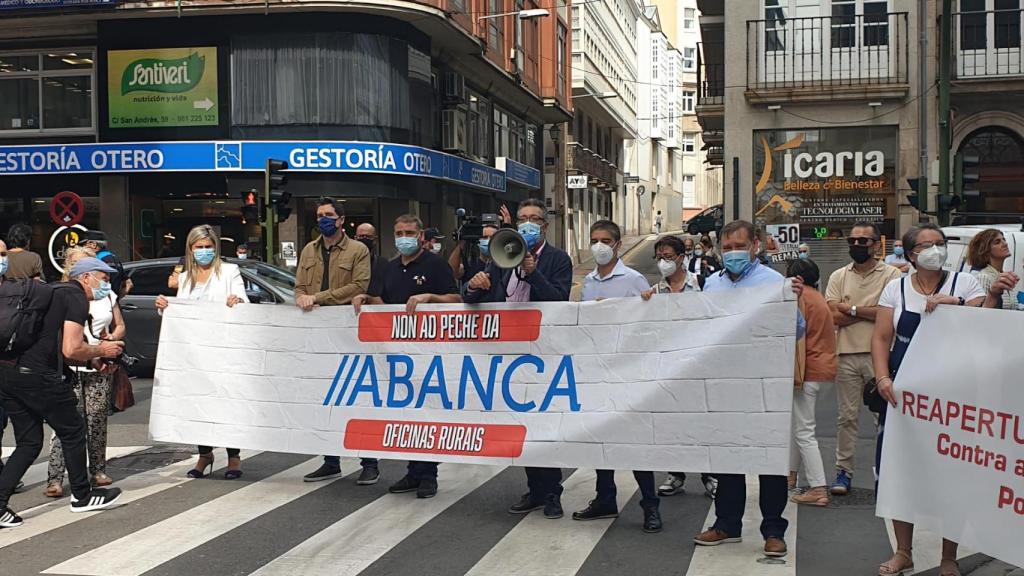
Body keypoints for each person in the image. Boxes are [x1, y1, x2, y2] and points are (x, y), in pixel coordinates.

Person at [871, 223, 1010, 576]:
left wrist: (958, 303)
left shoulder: (963, 283)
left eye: (940, 243)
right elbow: (881, 337)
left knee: (953, 473)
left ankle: (949, 555)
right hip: (906, 399)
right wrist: (883, 377)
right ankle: (903, 551)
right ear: (910, 254)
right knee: (901, 471)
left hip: (952, 400)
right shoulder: (896, 288)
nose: (935, 249)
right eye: (926, 244)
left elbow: (983, 320)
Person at [692, 220, 803, 558]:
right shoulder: (711, 285)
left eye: (740, 246)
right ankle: (727, 524)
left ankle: (773, 530)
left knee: (769, 461)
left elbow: (797, 328)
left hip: (764, 384)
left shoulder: (775, 284)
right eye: (727, 248)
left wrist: (790, 301)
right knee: (728, 458)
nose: (733, 253)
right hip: (725, 384)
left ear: (755, 246)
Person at [463, 198, 572, 519]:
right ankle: (535, 489)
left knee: (543, 427)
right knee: (521, 426)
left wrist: (534, 273)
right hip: (507, 356)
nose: (526, 224)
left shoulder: (558, 259)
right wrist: (472, 286)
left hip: (541, 356)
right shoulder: (502, 255)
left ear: (545, 225)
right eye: (522, 218)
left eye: (533, 219)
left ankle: (552, 492)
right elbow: (473, 299)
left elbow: (558, 301)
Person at [0, 256, 126, 528]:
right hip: (39, 377)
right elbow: (71, 348)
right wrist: (102, 350)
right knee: (72, 430)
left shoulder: (52, 293)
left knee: (30, 441)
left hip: (8, 373)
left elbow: (54, 346)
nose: (107, 286)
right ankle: (82, 496)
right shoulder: (76, 298)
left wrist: (91, 359)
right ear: (85, 278)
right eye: (103, 280)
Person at [352, 214, 462, 499]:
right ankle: (412, 471)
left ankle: (428, 474)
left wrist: (430, 298)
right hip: (398, 355)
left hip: (430, 353)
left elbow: (456, 299)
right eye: (399, 232)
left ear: (420, 235)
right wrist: (366, 299)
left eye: (410, 232)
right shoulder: (388, 268)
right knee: (406, 413)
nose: (404, 237)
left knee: (428, 412)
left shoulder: (435, 265)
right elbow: (384, 304)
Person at [572, 220, 661, 532]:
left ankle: (650, 504)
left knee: (635, 443)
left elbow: (650, 324)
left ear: (618, 244)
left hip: (629, 373)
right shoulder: (589, 283)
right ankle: (605, 497)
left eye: (606, 240)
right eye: (595, 240)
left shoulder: (633, 279)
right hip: (599, 370)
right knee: (602, 439)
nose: (600, 246)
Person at [293, 198, 377, 485]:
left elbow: (358, 286)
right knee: (324, 398)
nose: (323, 219)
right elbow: (299, 287)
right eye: (319, 215)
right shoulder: (308, 250)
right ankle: (331, 460)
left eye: (329, 215)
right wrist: (301, 298)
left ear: (342, 220)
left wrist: (316, 298)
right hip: (318, 336)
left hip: (349, 333)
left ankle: (369, 461)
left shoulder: (358, 250)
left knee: (358, 396)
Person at [155, 225, 248, 480]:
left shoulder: (230, 271)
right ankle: (204, 454)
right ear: (191, 249)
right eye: (199, 248)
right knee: (198, 403)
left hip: (222, 349)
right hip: (193, 353)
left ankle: (233, 456)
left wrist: (236, 301)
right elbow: (179, 312)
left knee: (225, 402)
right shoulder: (185, 277)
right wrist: (165, 306)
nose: (204, 251)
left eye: (208, 247)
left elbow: (242, 301)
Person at [824, 222, 901, 496]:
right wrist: (871, 311)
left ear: (876, 245)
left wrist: (852, 309)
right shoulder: (838, 276)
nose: (857, 246)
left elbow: (889, 315)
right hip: (845, 354)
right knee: (846, 417)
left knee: (885, 417)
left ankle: (889, 471)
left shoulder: (891, 275)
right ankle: (843, 471)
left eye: (863, 241)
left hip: (879, 356)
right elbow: (832, 315)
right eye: (852, 241)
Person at [44, 246, 126, 497]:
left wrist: (111, 339)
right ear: (81, 273)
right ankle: (56, 477)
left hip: (99, 365)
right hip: (71, 366)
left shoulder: (107, 295)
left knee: (97, 419)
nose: (104, 279)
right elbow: (67, 343)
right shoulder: (66, 296)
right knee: (67, 423)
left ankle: (97, 470)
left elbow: (120, 324)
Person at [640, 236, 716, 500]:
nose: (664, 262)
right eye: (659, 257)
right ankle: (676, 474)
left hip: (699, 366)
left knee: (702, 422)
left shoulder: (703, 284)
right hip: (669, 369)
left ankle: (710, 475)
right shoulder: (656, 291)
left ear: (682, 257)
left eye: (669, 257)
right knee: (672, 424)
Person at [785, 257, 836, 507]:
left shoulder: (800, 297)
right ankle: (790, 476)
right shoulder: (818, 297)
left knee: (804, 430)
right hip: (819, 368)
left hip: (806, 370)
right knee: (798, 426)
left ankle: (817, 487)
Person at [968, 229, 1016, 310]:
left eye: (1003, 239)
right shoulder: (983, 276)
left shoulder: (1004, 275)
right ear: (986, 250)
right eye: (997, 242)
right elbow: (982, 311)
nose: (1005, 243)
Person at [81, 230, 129, 298]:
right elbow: (129, 284)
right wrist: (116, 299)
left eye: (85, 244)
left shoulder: (95, 261)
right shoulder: (116, 259)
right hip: (113, 304)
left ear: (93, 245)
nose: (83, 247)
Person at [355, 223, 389, 299]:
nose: (364, 239)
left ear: (375, 240)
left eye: (368, 237)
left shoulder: (384, 264)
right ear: (355, 239)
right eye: (361, 236)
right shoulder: (348, 263)